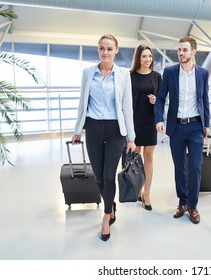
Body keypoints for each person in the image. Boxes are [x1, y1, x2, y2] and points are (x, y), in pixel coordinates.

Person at [72, 34, 136, 242]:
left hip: (115, 129)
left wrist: (131, 138)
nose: (105, 52)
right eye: (102, 48)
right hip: (92, 127)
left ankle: (106, 216)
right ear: (98, 50)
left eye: (109, 48)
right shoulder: (88, 73)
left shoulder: (123, 74)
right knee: (98, 177)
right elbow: (83, 103)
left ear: (116, 50)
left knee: (109, 176)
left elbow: (127, 107)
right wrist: (77, 130)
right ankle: (112, 205)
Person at [155, 36, 210, 224]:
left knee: (195, 166)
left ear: (193, 52)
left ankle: (193, 206)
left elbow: (204, 100)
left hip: (195, 126)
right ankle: (183, 202)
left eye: (185, 50)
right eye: (179, 50)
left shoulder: (202, 73)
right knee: (180, 167)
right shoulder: (170, 72)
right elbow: (160, 98)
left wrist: (207, 125)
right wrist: (159, 119)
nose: (181, 53)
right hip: (176, 127)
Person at [130, 44, 162, 211]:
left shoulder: (157, 76)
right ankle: (137, 188)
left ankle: (147, 194)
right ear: (138, 58)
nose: (148, 59)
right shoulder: (130, 76)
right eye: (144, 56)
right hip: (134, 122)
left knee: (148, 156)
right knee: (136, 156)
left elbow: (163, 100)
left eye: (150, 56)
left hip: (150, 121)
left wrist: (156, 101)